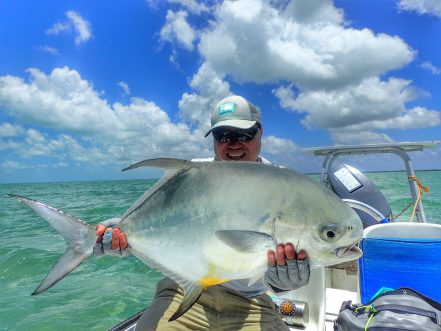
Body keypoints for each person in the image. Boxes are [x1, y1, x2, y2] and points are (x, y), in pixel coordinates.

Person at [95, 95, 310, 330]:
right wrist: (120, 236)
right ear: (213, 139)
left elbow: (271, 260)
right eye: (223, 136)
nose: (234, 143)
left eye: (244, 134)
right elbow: (157, 228)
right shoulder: (191, 175)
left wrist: (281, 282)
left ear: (260, 132)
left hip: (251, 303)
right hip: (181, 291)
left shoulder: (282, 187)